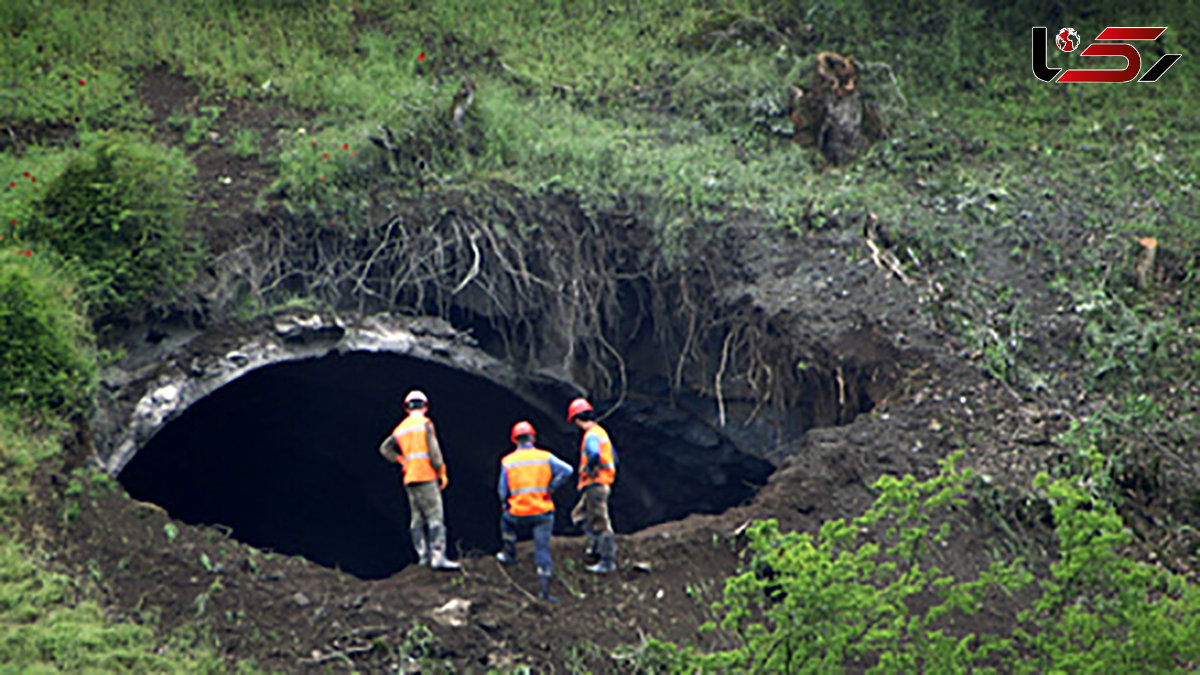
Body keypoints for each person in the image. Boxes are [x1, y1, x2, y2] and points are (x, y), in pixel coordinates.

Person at [378, 390, 460, 570]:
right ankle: (438, 556)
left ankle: (422, 556)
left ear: (406, 407)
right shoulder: (425, 424)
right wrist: (441, 471)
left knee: (417, 518)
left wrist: (401, 460)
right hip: (426, 475)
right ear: (425, 406)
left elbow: (384, 448)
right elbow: (434, 452)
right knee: (435, 515)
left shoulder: (401, 428)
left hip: (410, 477)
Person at [497, 421, 574, 602]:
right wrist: (551, 487)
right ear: (532, 438)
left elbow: (502, 490)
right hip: (542, 511)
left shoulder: (507, 461)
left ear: (514, 440)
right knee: (542, 549)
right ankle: (544, 592)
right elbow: (568, 471)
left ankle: (509, 554)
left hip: (518, 513)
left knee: (505, 521)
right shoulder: (545, 457)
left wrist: (505, 504)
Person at [567, 398, 618, 573]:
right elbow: (614, 458)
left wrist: (590, 469)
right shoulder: (602, 433)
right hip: (599, 484)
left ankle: (607, 560)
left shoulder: (591, 435)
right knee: (579, 515)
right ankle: (594, 548)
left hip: (595, 484)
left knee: (599, 521)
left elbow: (594, 453)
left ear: (576, 419)